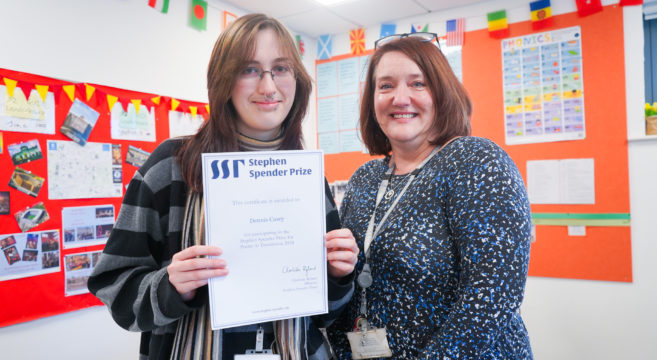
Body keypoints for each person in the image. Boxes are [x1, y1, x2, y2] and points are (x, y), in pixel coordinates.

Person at [88, 14, 358, 360]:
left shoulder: (306, 176)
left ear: (297, 79)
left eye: (281, 68)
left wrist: (337, 275)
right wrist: (171, 287)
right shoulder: (172, 165)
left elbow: (325, 315)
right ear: (223, 81)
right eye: (249, 69)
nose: (268, 87)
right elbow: (114, 288)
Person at [327, 33, 533, 359]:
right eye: (386, 86)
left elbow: (492, 298)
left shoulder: (475, 161)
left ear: (441, 92)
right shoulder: (365, 178)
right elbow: (349, 284)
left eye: (418, 83)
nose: (400, 97)